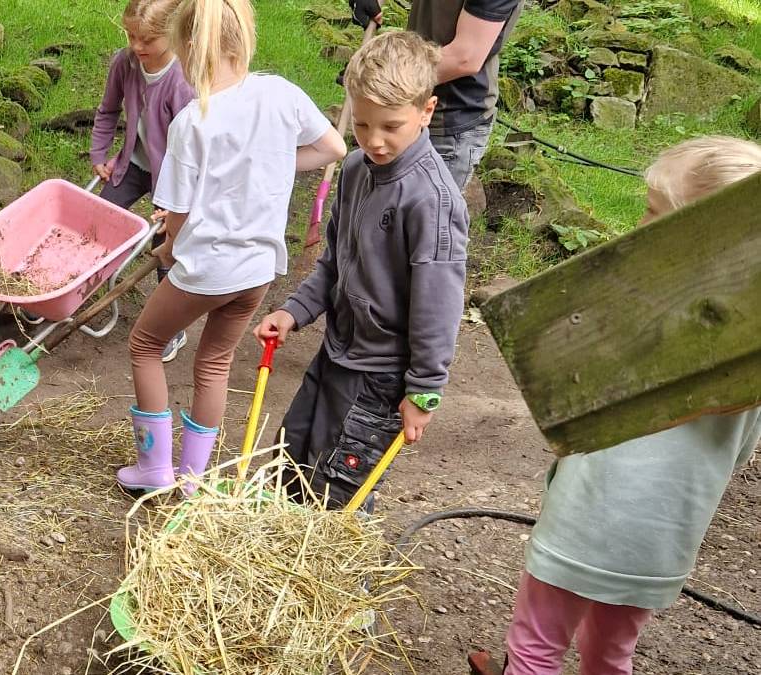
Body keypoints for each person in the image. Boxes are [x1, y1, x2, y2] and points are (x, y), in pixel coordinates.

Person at [467, 136, 761, 675]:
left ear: (701, 237)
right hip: (660, 550)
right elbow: (740, 456)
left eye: (653, 215)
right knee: (610, 654)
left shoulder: (627, 324)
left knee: (536, 647)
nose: (639, 228)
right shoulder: (750, 362)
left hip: (581, 532)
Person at [117, 0, 347, 493]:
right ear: (244, 35)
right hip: (257, 270)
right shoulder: (281, 94)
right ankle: (192, 478)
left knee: (146, 344)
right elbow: (333, 148)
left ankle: (153, 469)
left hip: (208, 268)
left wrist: (170, 245)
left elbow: (176, 216)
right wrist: (272, 164)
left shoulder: (193, 120)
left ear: (184, 46)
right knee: (215, 362)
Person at [255, 31, 468, 510]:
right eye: (363, 124)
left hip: (380, 376)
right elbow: (334, 260)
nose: (375, 141)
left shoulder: (431, 200)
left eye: (391, 126)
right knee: (290, 467)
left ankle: (331, 582)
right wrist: (295, 311)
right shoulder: (354, 169)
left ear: (426, 111)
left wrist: (425, 389)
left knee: (336, 495)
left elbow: (439, 304)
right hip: (336, 353)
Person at [82, 0, 195, 363]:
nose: (136, 46)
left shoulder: (184, 81)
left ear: (173, 34)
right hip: (133, 162)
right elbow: (108, 110)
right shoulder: (126, 62)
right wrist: (100, 154)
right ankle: (71, 292)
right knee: (99, 224)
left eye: (147, 39)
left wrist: (178, 202)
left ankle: (170, 327)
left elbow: (193, 149)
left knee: (166, 250)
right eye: (131, 35)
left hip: (174, 177)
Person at [349, 0, 524, 189]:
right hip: (398, 108)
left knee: (423, 213)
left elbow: (465, 57)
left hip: (449, 120)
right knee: (376, 206)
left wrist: (380, 79)